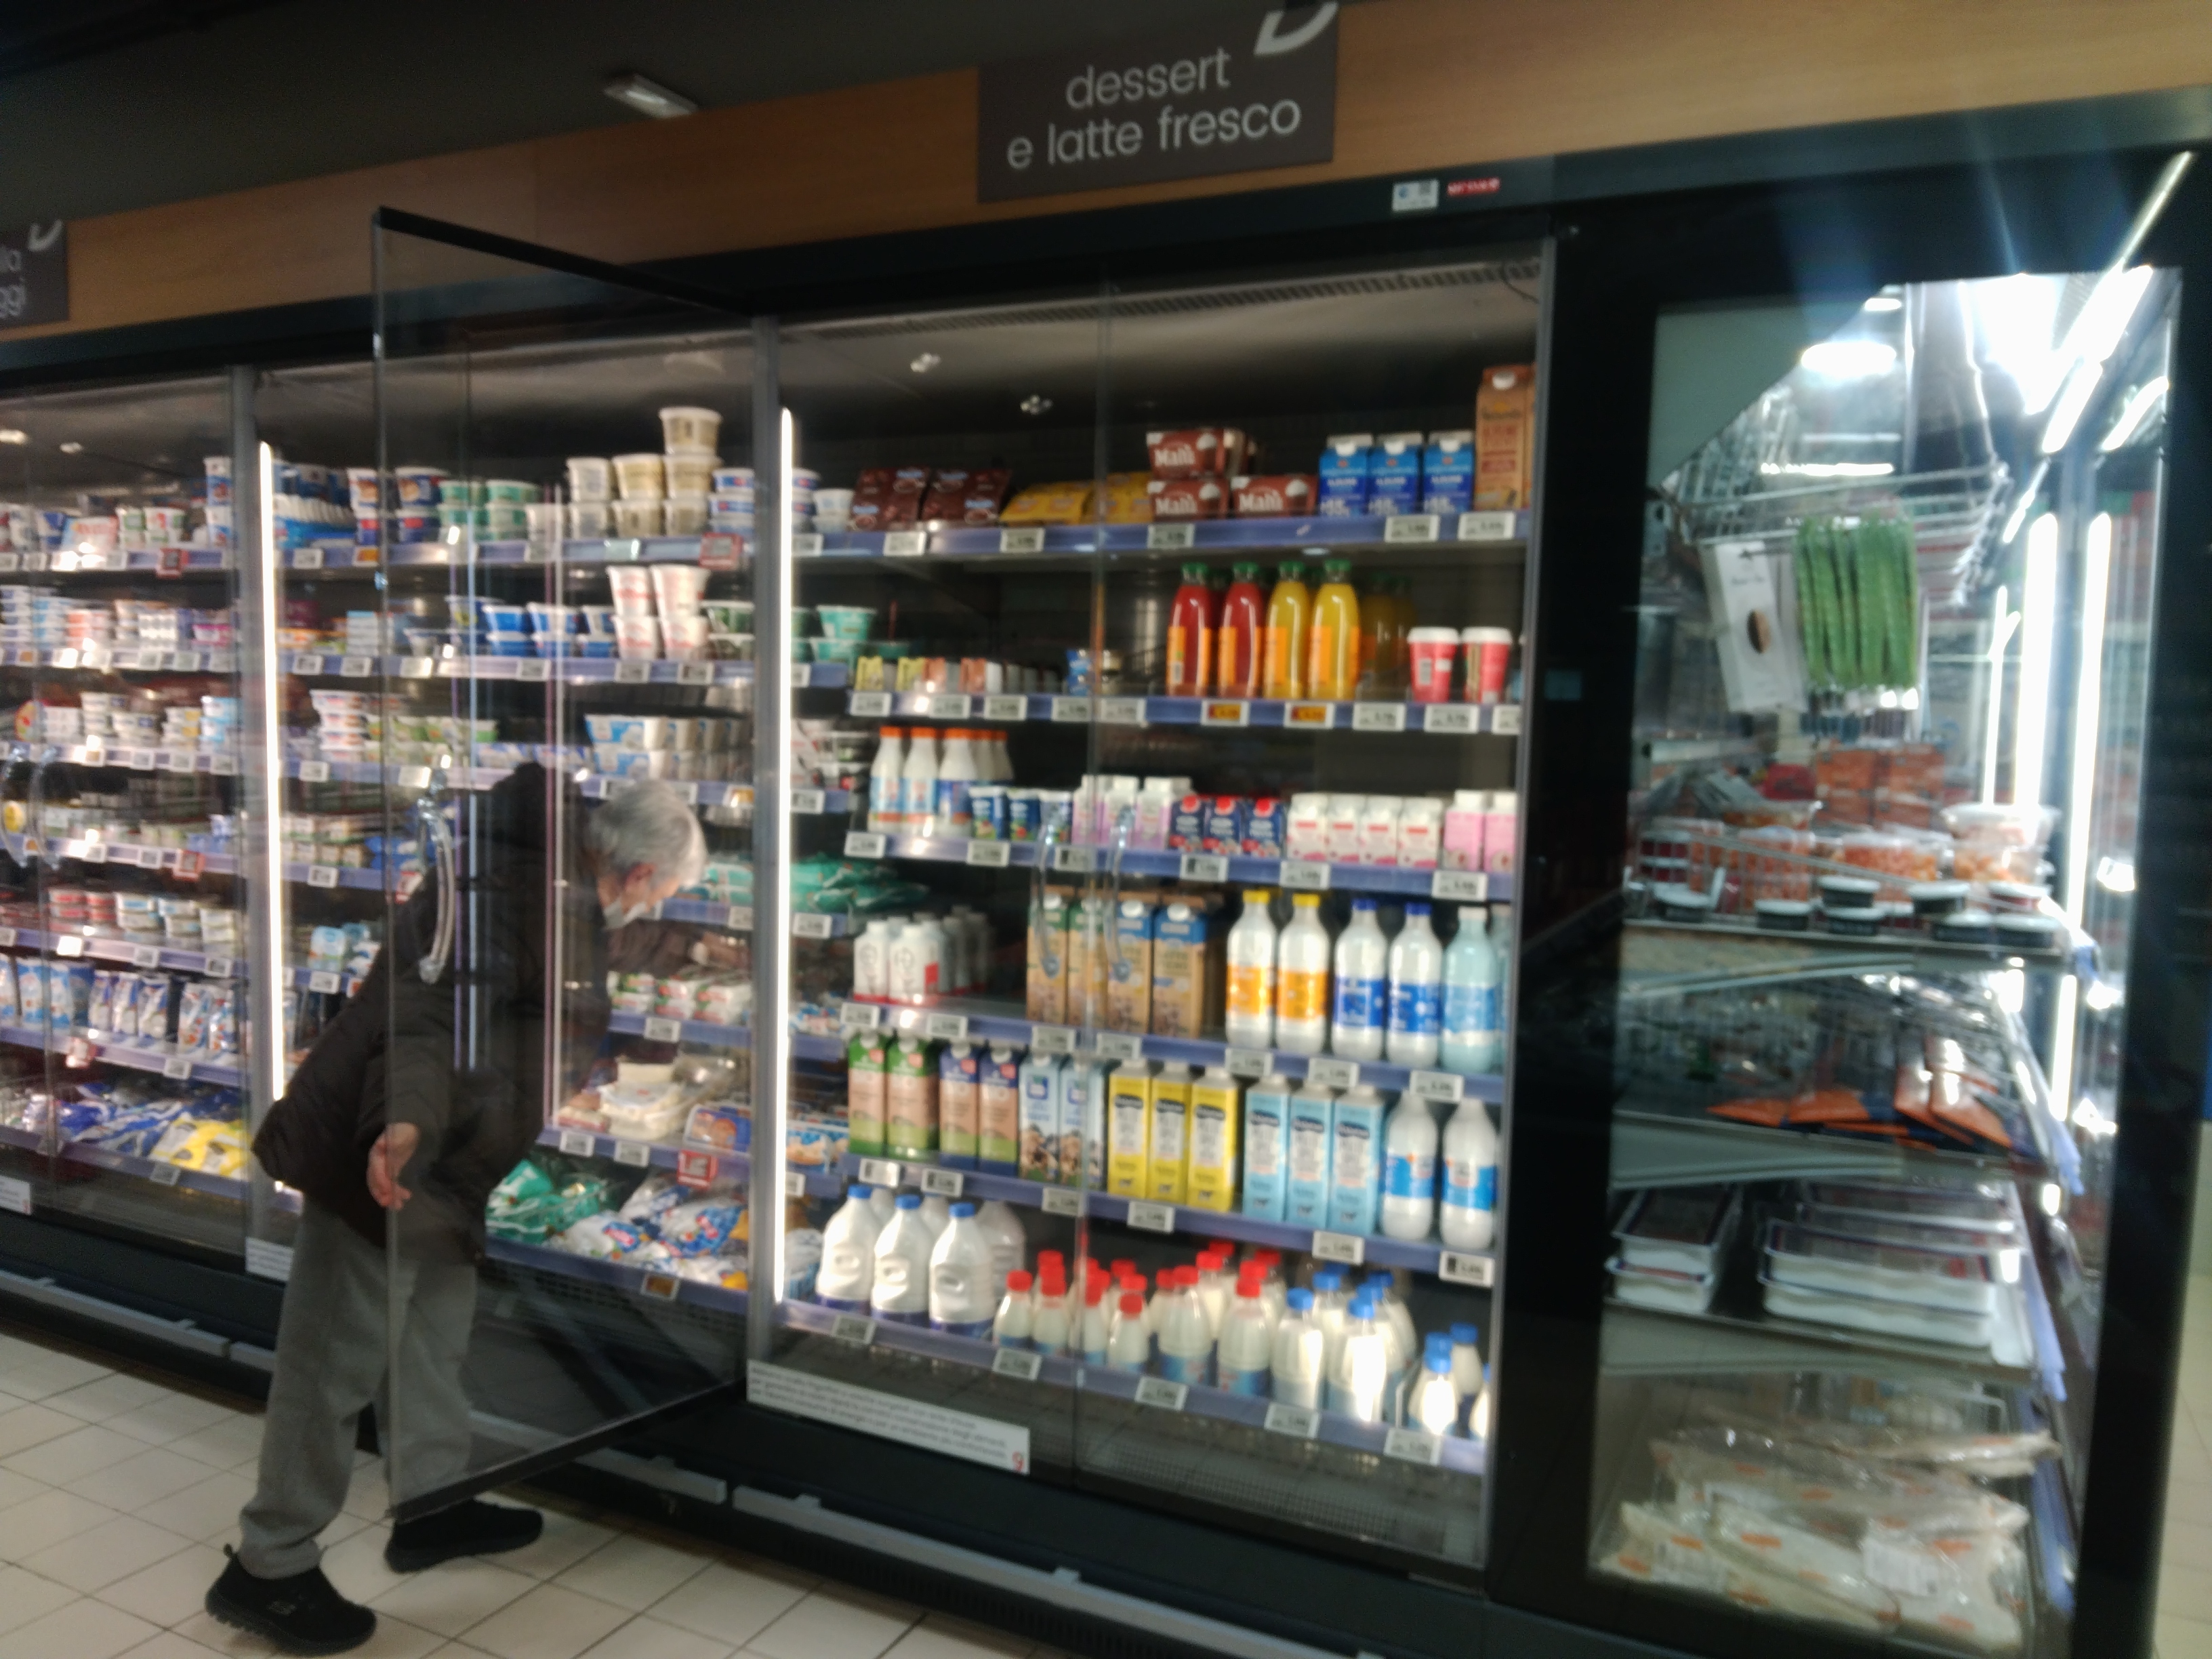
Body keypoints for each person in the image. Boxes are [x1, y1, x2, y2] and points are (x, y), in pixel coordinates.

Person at [205, 769, 708, 1654]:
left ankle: (430, 1505)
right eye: (661, 893)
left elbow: (550, 978)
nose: (653, 908)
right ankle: (269, 1565)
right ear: (634, 873)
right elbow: (426, 1013)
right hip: (387, 1154)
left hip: (449, 1160)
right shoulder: (512, 890)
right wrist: (402, 1123)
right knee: (333, 1361)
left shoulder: (554, 884)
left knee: (432, 1336)